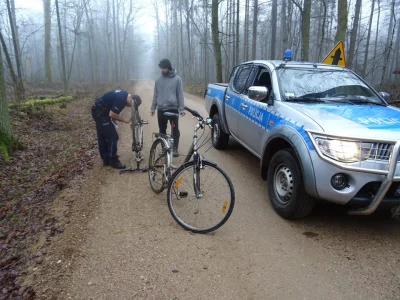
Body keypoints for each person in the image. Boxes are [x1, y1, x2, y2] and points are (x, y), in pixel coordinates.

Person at [91, 89, 136, 169]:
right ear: (131, 100)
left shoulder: (123, 94)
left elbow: (112, 109)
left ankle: (106, 159)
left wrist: (113, 119)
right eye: (131, 105)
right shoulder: (122, 99)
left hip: (98, 109)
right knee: (113, 137)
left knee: (102, 135)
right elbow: (112, 114)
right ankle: (113, 160)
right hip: (100, 112)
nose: (129, 106)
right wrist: (125, 120)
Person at [151, 59, 185, 157]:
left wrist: (181, 109)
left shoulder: (177, 79)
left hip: (173, 109)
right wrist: (153, 108)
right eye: (161, 68)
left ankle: (174, 148)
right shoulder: (158, 80)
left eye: (164, 68)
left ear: (169, 67)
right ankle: (164, 148)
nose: (162, 70)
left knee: (175, 129)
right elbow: (155, 95)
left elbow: (180, 95)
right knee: (162, 130)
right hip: (161, 109)